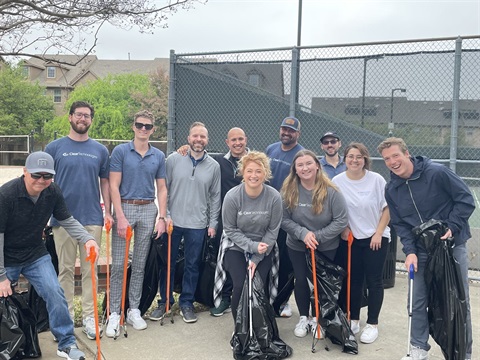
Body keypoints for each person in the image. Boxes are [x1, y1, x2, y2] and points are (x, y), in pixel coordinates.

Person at [377, 137, 475, 360]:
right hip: (420, 251)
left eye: (396, 155)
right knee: (417, 300)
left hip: (451, 247)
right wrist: (409, 251)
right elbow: (400, 223)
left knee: (458, 302)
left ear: (407, 153)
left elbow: (465, 199)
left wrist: (452, 226)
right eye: (387, 159)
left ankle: (462, 353)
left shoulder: (437, 172)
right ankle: (418, 348)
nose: (392, 162)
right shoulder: (391, 188)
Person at [0, 151, 99, 360]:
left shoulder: (52, 191)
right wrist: (1, 276)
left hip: (35, 254)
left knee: (55, 293)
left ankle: (66, 343)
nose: (42, 180)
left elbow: (67, 219)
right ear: (24, 171)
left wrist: (87, 239)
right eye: (36, 175)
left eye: (47, 176)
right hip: (6, 256)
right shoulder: (6, 195)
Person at [45, 101, 112, 340]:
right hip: (62, 220)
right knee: (64, 271)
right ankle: (64, 322)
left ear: (91, 120)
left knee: (90, 272)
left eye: (87, 116)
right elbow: (45, 184)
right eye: (79, 115)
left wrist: (108, 211)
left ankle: (90, 319)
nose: (83, 119)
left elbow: (105, 182)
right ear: (70, 117)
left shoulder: (100, 150)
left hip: (92, 218)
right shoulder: (54, 148)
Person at [106, 110, 168, 337]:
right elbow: (113, 185)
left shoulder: (158, 156)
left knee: (140, 263)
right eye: (140, 125)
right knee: (120, 264)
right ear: (133, 126)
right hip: (125, 206)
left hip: (148, 208)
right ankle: (114, 312)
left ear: (153, 130)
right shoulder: (122, 151)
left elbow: (161, 188)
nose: (143, 129)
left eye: (148, 126)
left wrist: (162, 216)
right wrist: (119, 216)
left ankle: (133, 309)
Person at [155, 121, 220, 324]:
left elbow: (215, 197)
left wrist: (212, 223)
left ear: (207, 140)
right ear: (188, 138)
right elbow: (163, 189)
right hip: (173, 222)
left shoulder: (214, 166)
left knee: (192, 265)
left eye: (202, 136)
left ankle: (186, 303)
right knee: (168, 264)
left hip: (198, 225)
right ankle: (164, 302)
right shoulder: (174, 159)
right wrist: (165, 216)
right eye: (195, 136)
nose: (198, 140)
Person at [281, 150, 348, 337]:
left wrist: (317, 237)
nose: (305, 168)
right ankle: (304, 317)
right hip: (297, 245)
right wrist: (303, 234)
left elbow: (341, 220)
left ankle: (320, 318)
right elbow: (283, 219)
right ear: (295, 169)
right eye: (300, 165)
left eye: (309, 163)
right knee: (301, 279)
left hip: (325, 246)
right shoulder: (288, 190)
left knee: (320, 282)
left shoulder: (332, 191)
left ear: (317, 165)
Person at [213, 151, 282, 323]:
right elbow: (230, 229)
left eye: (259, 171)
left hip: (264, 245)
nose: (254, 175)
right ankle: (241, 329)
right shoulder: (232, 196)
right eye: (249, 170)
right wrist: (251, 247)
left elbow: (273, 230)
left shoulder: (274, 197)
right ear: (242, 172)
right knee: (241, 284)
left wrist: (257, 257)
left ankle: (260, 326)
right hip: (235, 245)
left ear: (265, 173)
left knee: (259, 284)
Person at [332, 142, 390, 344]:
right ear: (344, 159)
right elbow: (336, 210)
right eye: (350, 156)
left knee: (374, 281)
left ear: (365, 159)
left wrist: (379, 232)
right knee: (353, 280)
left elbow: (386, 208)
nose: (354, 160)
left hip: (376, 238)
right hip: (351, 239)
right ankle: (354, 319)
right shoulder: (337, 181)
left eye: (359, 157)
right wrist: (344, 228)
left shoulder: (376, 180)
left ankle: (372, 324)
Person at [266, 116, 304, 318]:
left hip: (288, 216)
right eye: (284, 129)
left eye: (291, 131)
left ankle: (283, 301)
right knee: (268, 258)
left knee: (286, 262)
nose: (286, 133)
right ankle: (265, 297)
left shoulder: (301, 154)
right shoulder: (271, 149)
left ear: (298, 134)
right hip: (267, 214)